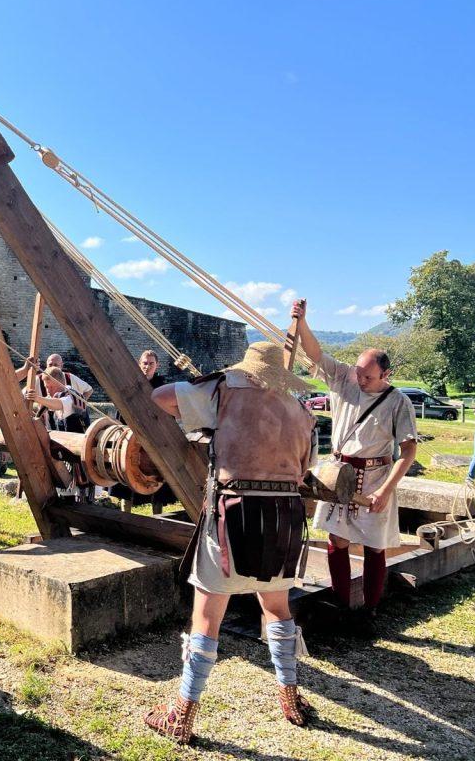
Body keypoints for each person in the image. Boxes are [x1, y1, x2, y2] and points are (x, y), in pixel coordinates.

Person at [143, 341, 318, 744]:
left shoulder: (221, 390)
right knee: (278, 609)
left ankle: (182, 714)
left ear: (247, 368)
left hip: (232, 515)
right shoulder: (300, 410)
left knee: (207, 618)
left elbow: (160, 396)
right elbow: (304, 469)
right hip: (284, 518)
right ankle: (290, 698)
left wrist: (213, 408)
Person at [291, 299, 417, 633]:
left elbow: (408, 451)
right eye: (359, 373)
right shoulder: (345, 378)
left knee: (374, 545)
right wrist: (302, 322)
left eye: (368, 376)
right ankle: (341, 605)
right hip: (338, 475)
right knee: (338, 541)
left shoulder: (398, 402)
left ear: (386, 374)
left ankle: (369, 611)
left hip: (375, 477)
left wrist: (385, 492)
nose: (360, 379)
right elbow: (315, 355)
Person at [113, 350, 171, 510]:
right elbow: (122, 410)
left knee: (156, 479)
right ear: (139, 364)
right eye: (145, 363)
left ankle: (158, 518)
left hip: (155, 439)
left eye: (151, 363)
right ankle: (125, 517)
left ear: (157, 365)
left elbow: (168, 413)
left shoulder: (162, 387)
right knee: (127, 477)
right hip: (132, 437)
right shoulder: (130, 384)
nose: (147, 366)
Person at [25, 366, 90, 434]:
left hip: (77, 439)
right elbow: (40, 420)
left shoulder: (72, 397)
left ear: (62, 384)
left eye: (52, 387)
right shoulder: (49, 399)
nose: (48, 391)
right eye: (46, 387)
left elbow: (59, 404)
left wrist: (37, 398)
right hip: (57, 438)